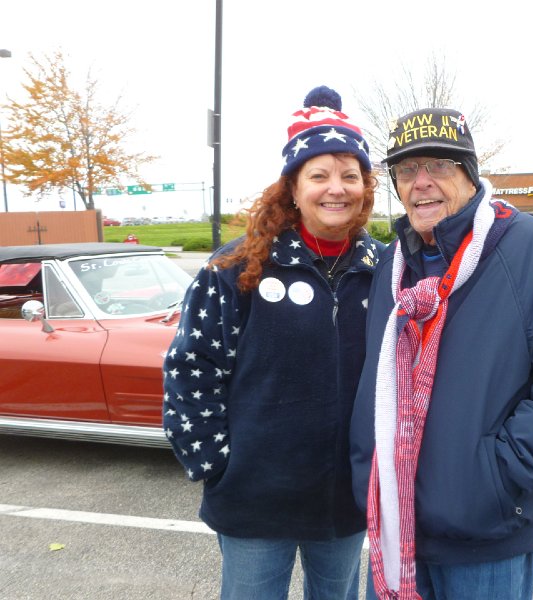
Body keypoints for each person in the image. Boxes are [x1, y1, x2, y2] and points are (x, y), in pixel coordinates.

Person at [349, 107, 533, 599]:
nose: (421, 183)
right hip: (395, 523)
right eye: (407, 171)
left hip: (487, 537)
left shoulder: (527, 249)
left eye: (439, 166)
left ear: (470, 175)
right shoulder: (393, 264)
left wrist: (499, 474)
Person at [162, 85, 383, 600]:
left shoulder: (384, 269)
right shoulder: (236, 268)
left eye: (350, 175)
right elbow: (191, 367)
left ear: (365, 187)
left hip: (344, 498)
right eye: (320, 175)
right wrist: (215, 463)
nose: (337, 188)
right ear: (293, 187)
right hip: (255, 497)